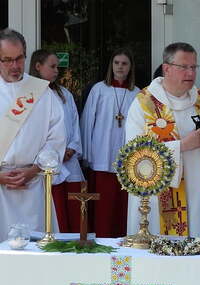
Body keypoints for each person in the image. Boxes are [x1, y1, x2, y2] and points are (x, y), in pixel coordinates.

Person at [126, 42, 200, 238]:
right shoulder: (144, 103)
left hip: (198, 194)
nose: (190, 73)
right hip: (156, 199)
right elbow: (134, 156)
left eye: (193, 67)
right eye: (183, 67)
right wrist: (182, 146)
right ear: (167, 68)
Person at [0, 28, 65, 241]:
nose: (15, 66)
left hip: (34, 186)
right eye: (7, 60)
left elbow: (56, 138)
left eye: (19, 58)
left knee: (36, 253)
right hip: (0, 186)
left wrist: (35, 169)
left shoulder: (41, 92)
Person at [81, 48, 140, 237]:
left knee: (122, 204)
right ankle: (102, 236)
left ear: (130, 67)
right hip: (101, 152)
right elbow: (88, 121)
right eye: (116, 63)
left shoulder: (137, 93)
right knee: (103, 203)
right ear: (111, 66)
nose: (120, 67)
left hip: (126, 156)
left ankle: (123, 236)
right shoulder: (99, 89)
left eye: (124, 63)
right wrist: (87, 153)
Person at [29, 49, 85, 233]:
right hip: (45, 165)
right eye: (52, 66)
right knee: (54, 214)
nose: (57, 71)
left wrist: (71, 147)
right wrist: (53, 154)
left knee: (74, 214)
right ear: (38, 66)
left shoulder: (64, 94)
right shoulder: (29, 96)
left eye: (57, 67)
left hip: (69, 159)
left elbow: (75, 123)